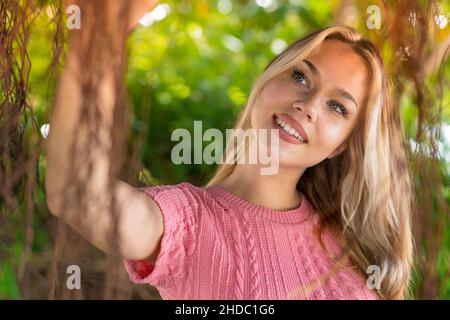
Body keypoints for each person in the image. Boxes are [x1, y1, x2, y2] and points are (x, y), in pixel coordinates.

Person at [46, 0, 414, 300]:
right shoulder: (190, 224)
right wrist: (100, 31)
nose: (309, 105)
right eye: (300, 77)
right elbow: (78, 196)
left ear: (342, 146)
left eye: (338, 107)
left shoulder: (349, 248)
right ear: (267, 81)